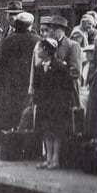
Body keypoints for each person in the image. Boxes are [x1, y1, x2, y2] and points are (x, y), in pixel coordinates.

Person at [0, 12, 40, 140]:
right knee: (25, 110)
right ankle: (24, 139)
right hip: (29, 81)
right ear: (30, 25)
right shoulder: (37, 40)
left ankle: (7, 138)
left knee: (9, 109)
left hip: (10, 82)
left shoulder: (8, 40)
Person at [33, 38, 76, 170]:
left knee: (56, 131)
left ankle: (55, 158)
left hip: (57, 105)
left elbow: (67, 87)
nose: (38, 51)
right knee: (46, 131)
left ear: (46, 50)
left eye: (40, 48)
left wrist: (63, 103)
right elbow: (37, 86)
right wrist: (37, 100)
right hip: (44, 104)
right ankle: (48, 157)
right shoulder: (39, 67)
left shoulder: (60, 67)